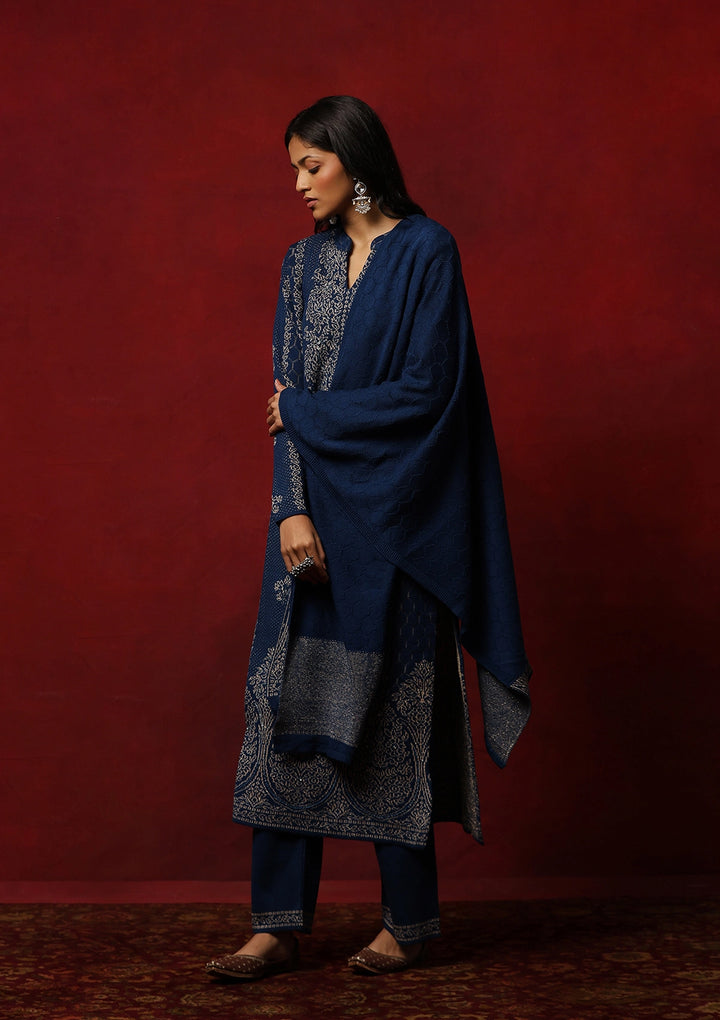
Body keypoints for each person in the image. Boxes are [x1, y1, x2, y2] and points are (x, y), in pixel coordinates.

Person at [206, 95, 531, 981]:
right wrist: (290, 511)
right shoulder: (300, 265)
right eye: (294, 170)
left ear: (355, 161)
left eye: (311, 166)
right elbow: (284, 400)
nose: (299, 185)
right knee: (287, 714)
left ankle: (408, 920)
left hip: (400, 527)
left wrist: (307, 413)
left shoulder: (427, 252)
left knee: (395, 716)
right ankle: (276, 925)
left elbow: (428, 390)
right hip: (313, 529)